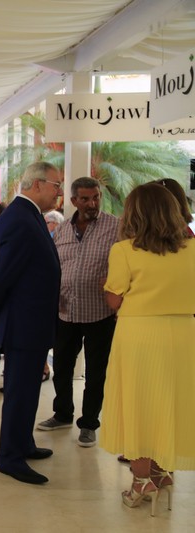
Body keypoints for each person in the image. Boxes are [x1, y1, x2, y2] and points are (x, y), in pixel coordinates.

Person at [101, 182, 195, 515]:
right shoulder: (192, 249)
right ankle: (163, 471)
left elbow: (114, 299)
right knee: (170, 400)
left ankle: (142, 480)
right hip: (182, 333)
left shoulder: (124, 250)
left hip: (139, 334)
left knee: (138, 403)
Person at [0, 161, 62, 485]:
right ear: (37, 184)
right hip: (24, 323)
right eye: (56, 185)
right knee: (19, 392)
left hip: (33, 321)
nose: (59, 192)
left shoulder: (29, 215)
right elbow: (4, 276)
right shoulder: (19, 219)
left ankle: (23, 443)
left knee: (28, 391)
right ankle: (10, 457)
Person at [35, 177, 119, 448]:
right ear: (73, 201)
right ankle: (62, 414)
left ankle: (89, 424)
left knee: (96, 372)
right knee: (61, 367)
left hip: (100, 313)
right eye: (85, 199)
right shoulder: (61, 231)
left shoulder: (116, 227)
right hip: (66, 311)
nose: (92, 204)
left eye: (95, 198)